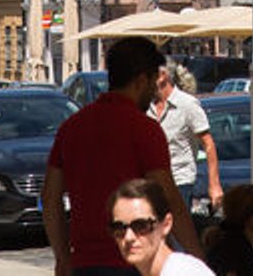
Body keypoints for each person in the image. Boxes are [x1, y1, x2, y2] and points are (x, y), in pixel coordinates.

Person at [45, 37, 203, 276]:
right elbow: (168, 197)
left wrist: (63, 257)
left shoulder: (72, 127)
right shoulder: (144, 129)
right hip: (134, 261)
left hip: (83, 263)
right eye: (153, 82)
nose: (154, 92)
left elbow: (50, 197)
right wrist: (197, 259)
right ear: (141, 80)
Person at [150, 65, 219, 215]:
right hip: (152, 184)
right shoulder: (147, 107)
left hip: (180, 183)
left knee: (177, 234)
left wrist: (214, 185)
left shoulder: (187, 104)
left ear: (162, 76)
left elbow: (208, 143)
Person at [110, 177, 214, 276]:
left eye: (140, 226)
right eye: (119, 228)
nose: (128, 237)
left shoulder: (184, 272)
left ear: (166, 224)